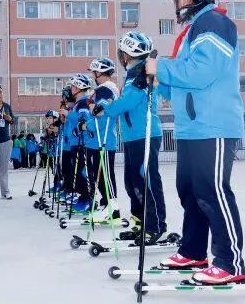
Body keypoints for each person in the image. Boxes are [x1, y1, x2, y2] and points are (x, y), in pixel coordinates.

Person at [145, 0, 245, 285]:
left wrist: (160, 67)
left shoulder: (214, 24)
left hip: (213, 125)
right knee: (190, 191)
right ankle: (193, 251)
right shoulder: (195, 29)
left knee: (213, 192)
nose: (176, 0)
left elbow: (202, 72)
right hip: (192, 126)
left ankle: (231, 263)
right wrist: (153, 77)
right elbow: (183, 80)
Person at [102, 32, 169, 243]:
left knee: (147, 180)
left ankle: (156, 225)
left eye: (122, 53)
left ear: (126, 54)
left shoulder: (141, 74)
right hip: (133, 137)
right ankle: (140, 222)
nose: (121, 57)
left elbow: (127, 103)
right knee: (132, 183)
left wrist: (105, 107)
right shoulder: (134, 73)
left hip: (145, 134)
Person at [83, 58, 121, 223]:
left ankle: (113, 209)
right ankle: (108, 206)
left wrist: (88, 125)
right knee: (103, 175)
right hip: (103, 137)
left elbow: (102, 115)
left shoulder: (104, 90)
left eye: (94, 72)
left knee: (105, 175)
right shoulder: (109, 88)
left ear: (99, 72)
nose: (93, 75)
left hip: (103, 137)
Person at [65, 73, 95, 213]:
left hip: (82, 143)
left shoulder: (83, 102)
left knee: (83, 172)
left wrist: (68, 114)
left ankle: (87, 199)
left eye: (74, 85)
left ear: (80, 86)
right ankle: (83, 197)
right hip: (75, 142)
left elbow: (83, 120)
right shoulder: (78, 103)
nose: (72, 88)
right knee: (76, 171)